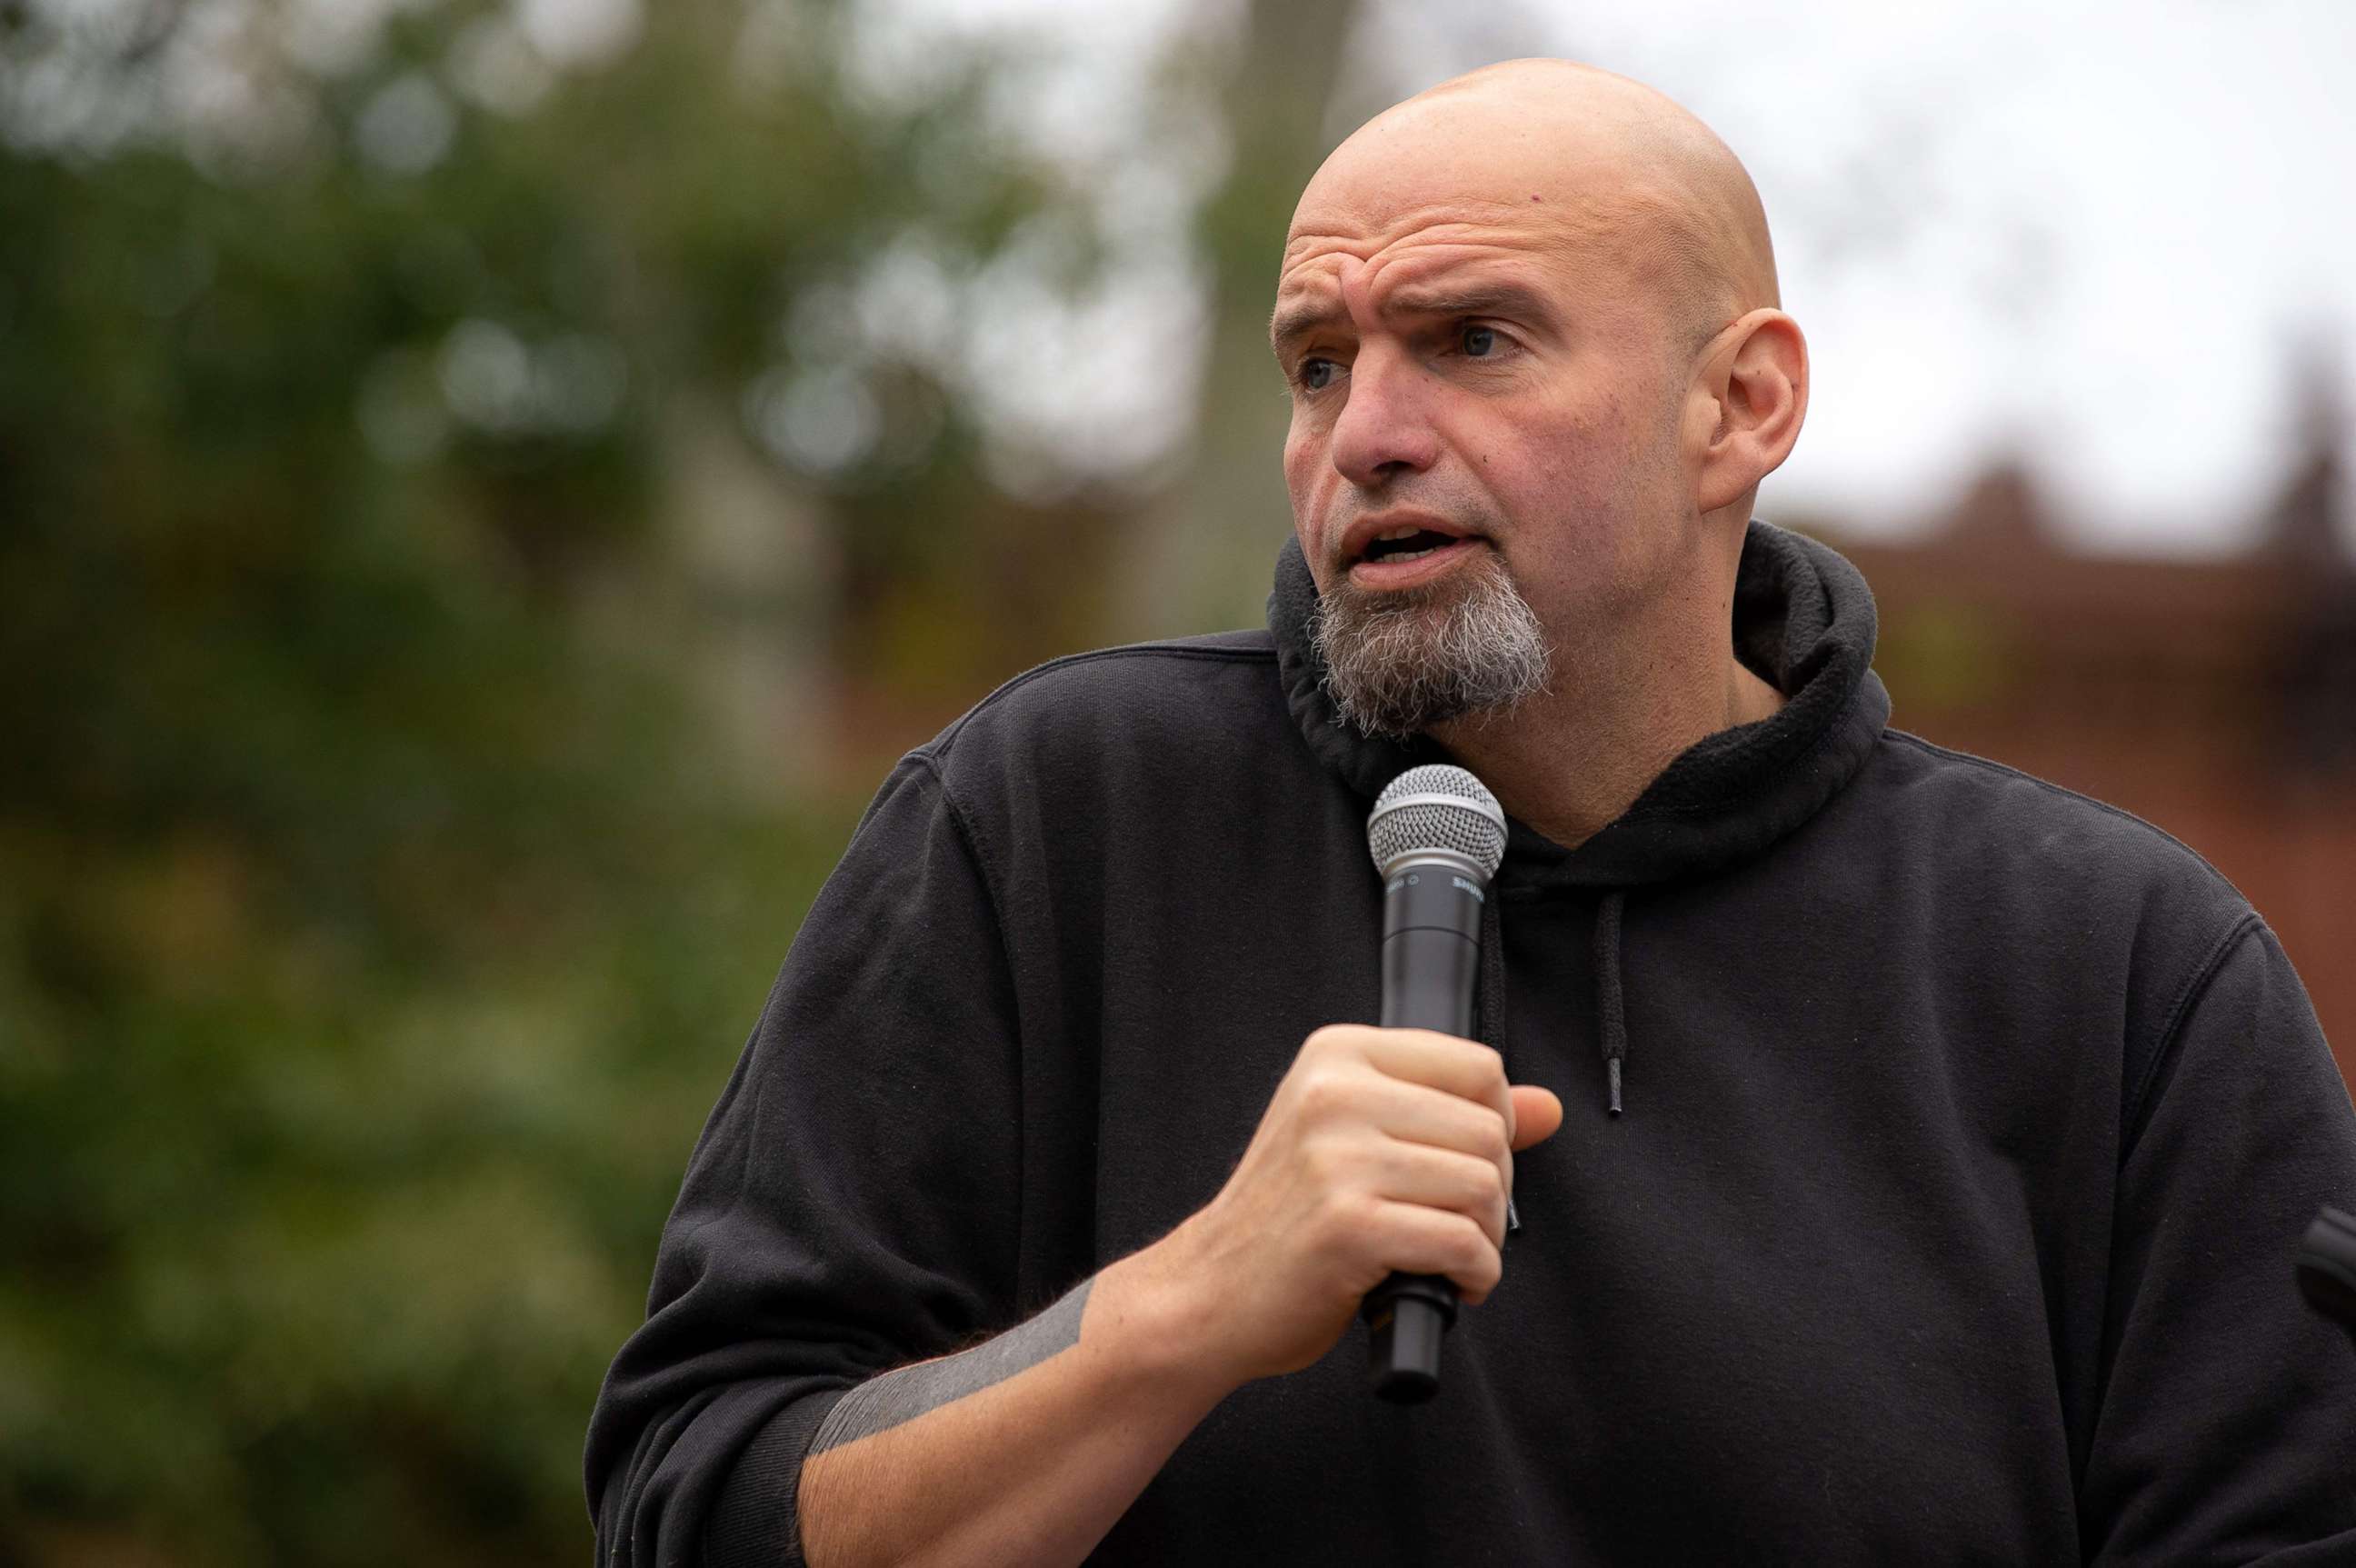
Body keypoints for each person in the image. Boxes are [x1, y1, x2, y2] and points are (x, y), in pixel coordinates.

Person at [585, 59, 2356, 1565]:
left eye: (1472, 339)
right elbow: (697, 1498)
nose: (1365, 431)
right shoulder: (1054, 822)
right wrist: (1173, 1314)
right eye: (1316, 361)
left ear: (1740, 404)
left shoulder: (2117, 970)